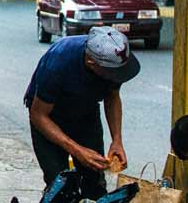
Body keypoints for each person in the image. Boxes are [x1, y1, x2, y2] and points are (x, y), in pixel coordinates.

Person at [24, 26, 140, 185]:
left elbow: (112, 96)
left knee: (95, 180)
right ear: (91, 62)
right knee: (59, 184)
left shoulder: (112, 66)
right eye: (111, 73)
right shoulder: (58, 62)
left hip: (86, 112)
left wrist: (117, 140)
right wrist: (78, 151)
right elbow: (38, 115)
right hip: (50, 117)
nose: (115, 77)